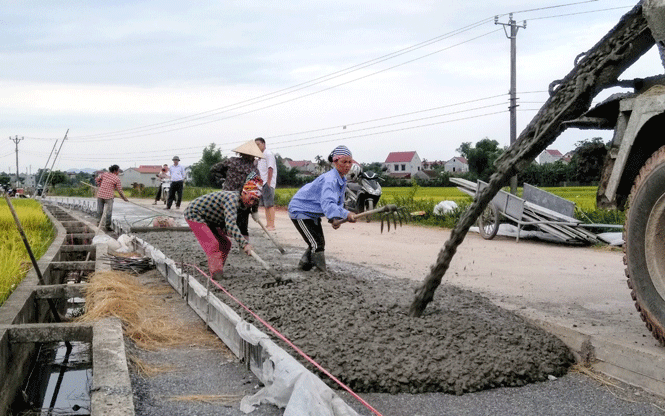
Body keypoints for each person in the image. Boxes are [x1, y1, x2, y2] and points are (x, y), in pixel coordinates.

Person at [288, 145, 357, 272]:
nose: (347, 165)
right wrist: (346, 214)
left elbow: (338, 202)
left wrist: (335, 218)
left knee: (317, 242)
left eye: (350, 162)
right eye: (344, 162)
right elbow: (329, 205)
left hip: (312, 212)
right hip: (300, 210)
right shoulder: (330, 180)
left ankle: (303, 266)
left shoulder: (341, 179)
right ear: (335, 162)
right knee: (316, 244)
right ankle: (321, 272)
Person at [184, 172, 263, 280]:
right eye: (251, 198)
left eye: (255, 200)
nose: (252, 202)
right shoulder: (232, 199)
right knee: (213, 244)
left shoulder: (244, 203)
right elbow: (231, 224)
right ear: (244, 193)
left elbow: (227, 223)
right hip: (195, 214)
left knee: (226, 243)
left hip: (211, 219)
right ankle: (216, 274)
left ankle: (218, 268)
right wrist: (245, 244)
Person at [209, 139, 264, 238]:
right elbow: (255, 194)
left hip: (226, 199)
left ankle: (221, 246)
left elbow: (213, 169)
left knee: (223, 225)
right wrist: (255, 210)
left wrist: (223, 177)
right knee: (243, 229)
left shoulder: (231, 161)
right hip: (242, 202)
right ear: (253, 156)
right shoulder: (254, 170)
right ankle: (244, 250)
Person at [95, 164, 129, 231]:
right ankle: (107, 226)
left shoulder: (104, 174)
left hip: (100, 195)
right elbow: (120, 191)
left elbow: (97, 179)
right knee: (109, 212)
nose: (119, 172)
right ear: (115, 171)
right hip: (109, 197)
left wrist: (100, 185)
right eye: (118, 171)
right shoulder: (117, 179)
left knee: (100, 211)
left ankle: (98, 224)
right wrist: (124, 198)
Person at [255, 137, 277, 230]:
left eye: (258, 144)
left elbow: (270, 168)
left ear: (263, 144)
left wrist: (268, 182)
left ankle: (272, 225)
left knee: (270, 205)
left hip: (267, 182)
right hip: (261, 183)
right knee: (266, 205)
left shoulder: (268, 154)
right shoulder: (260, 156)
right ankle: (268, 224)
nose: (257, 146)